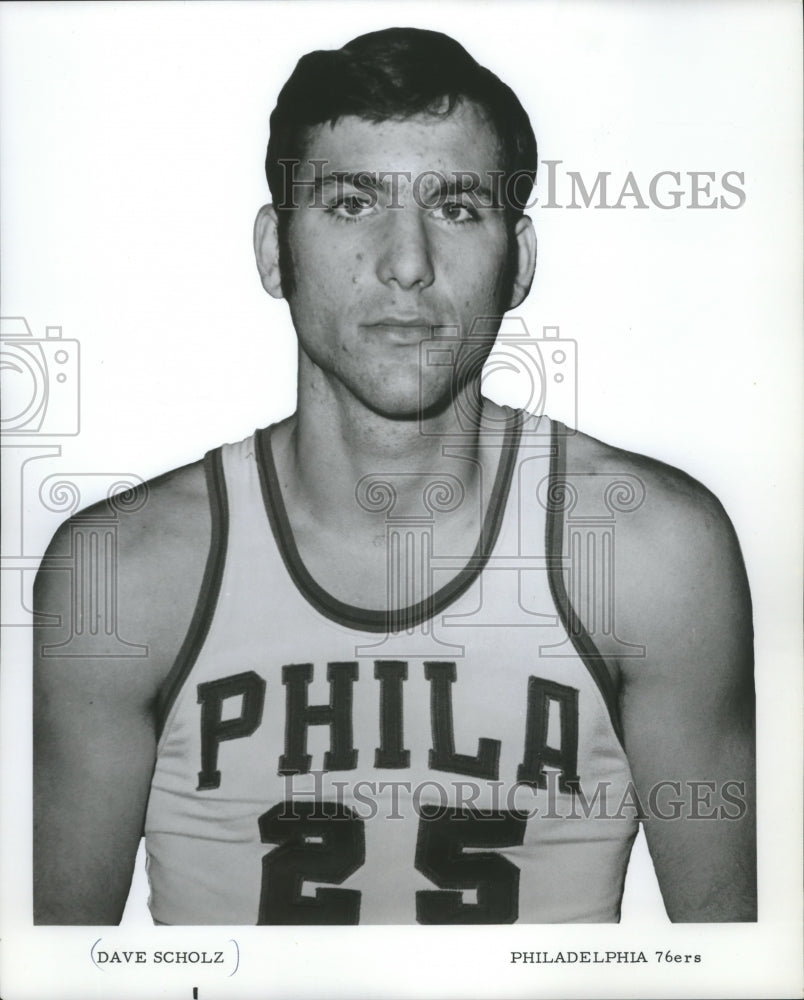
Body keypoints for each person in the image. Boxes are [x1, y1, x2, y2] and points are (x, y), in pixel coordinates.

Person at [33, 27, 755, 925]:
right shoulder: (123, 577)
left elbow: (734, 967)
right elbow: (55, 973)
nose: (406, 264)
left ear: (520, 260)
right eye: (349, 204)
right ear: (273, 251)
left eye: (456, 208)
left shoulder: (655, 555)